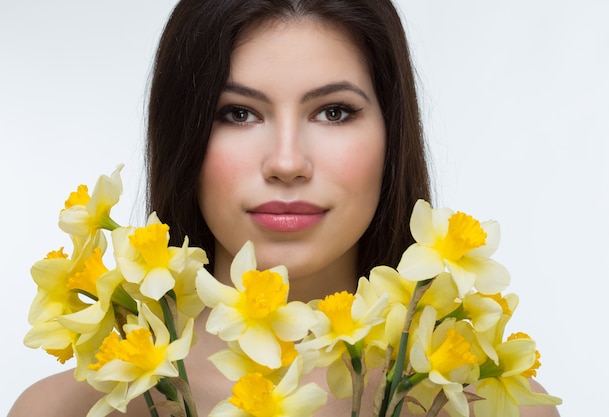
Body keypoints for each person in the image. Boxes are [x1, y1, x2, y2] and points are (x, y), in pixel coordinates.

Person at [9, 1, 559, 416]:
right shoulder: (62, 410)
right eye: (239, 114)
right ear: (182, 136)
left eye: (335, 113)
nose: (288, 162)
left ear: (393, 137)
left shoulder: (499, 404)